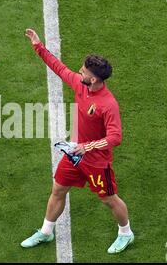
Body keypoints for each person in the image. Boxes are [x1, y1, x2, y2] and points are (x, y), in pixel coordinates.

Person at [21, 29, 134, 253]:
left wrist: (88, 147)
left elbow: (115, 137)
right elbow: (59, 68)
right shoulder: (81, 85)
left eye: (82, 70)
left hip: (97, 162)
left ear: (93, 79)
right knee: (58, 189)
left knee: (109, 199)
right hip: (75, 156)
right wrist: (38, 45)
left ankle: (126, 233)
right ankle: (46, 231)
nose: (78, 72)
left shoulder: (108, 104)